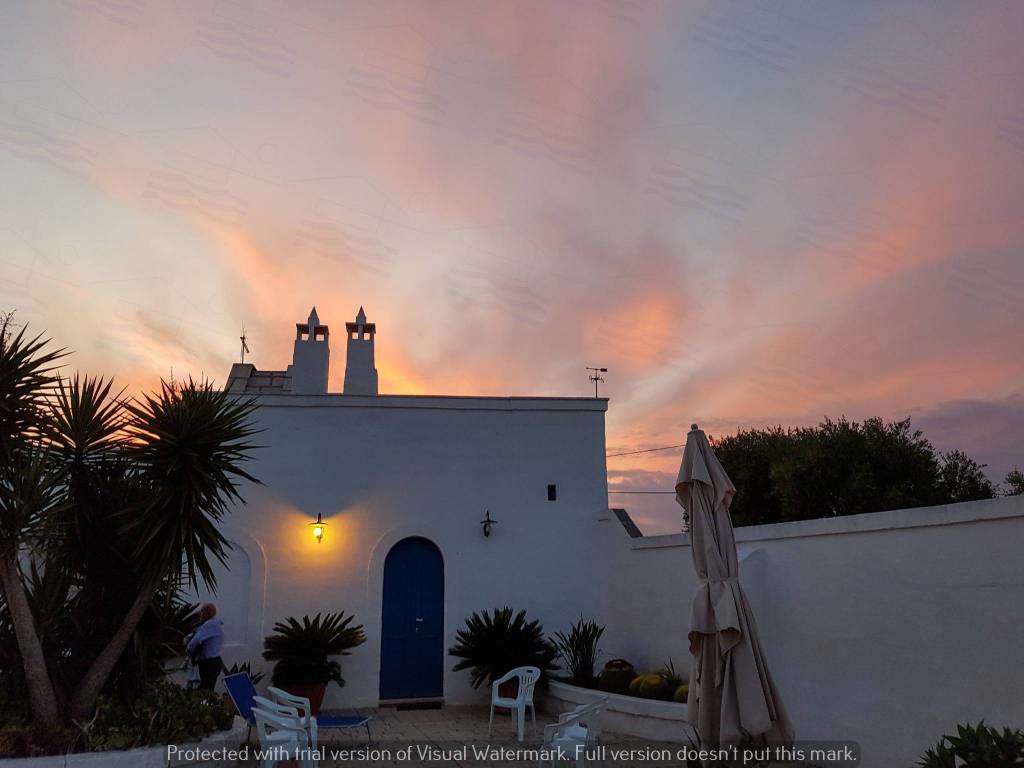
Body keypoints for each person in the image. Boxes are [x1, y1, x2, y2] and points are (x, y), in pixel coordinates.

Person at [186, 603, 225, 691]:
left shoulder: (210, 624)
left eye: (202, 612)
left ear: (207, 613)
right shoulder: (216, 624)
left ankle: (204, 704)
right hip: (215, 661)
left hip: (209, 663)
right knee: (208, 688)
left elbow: (196, 640)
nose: (201, 615)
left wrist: (189, 649)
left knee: (204, 689)